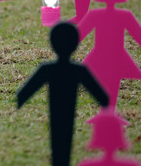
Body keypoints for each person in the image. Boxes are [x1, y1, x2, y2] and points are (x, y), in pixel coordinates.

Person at [17, 22, 109, 166]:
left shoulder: (48, 69)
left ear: (52, 43)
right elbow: (102, 96)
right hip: (67, 111)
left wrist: (20, 100)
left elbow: (25, 91)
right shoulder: (78, 69)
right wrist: (104, 102)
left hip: (57, 110)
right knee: (64, 138)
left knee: (58, 139)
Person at [78, 0, 141, 108]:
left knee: (109, 79)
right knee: (111, 79)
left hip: (104, 55)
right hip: (114, 55)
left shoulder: (96, 14)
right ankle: (108, 111)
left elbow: (77, 36)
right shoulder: (124, 15)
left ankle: (107, 111)